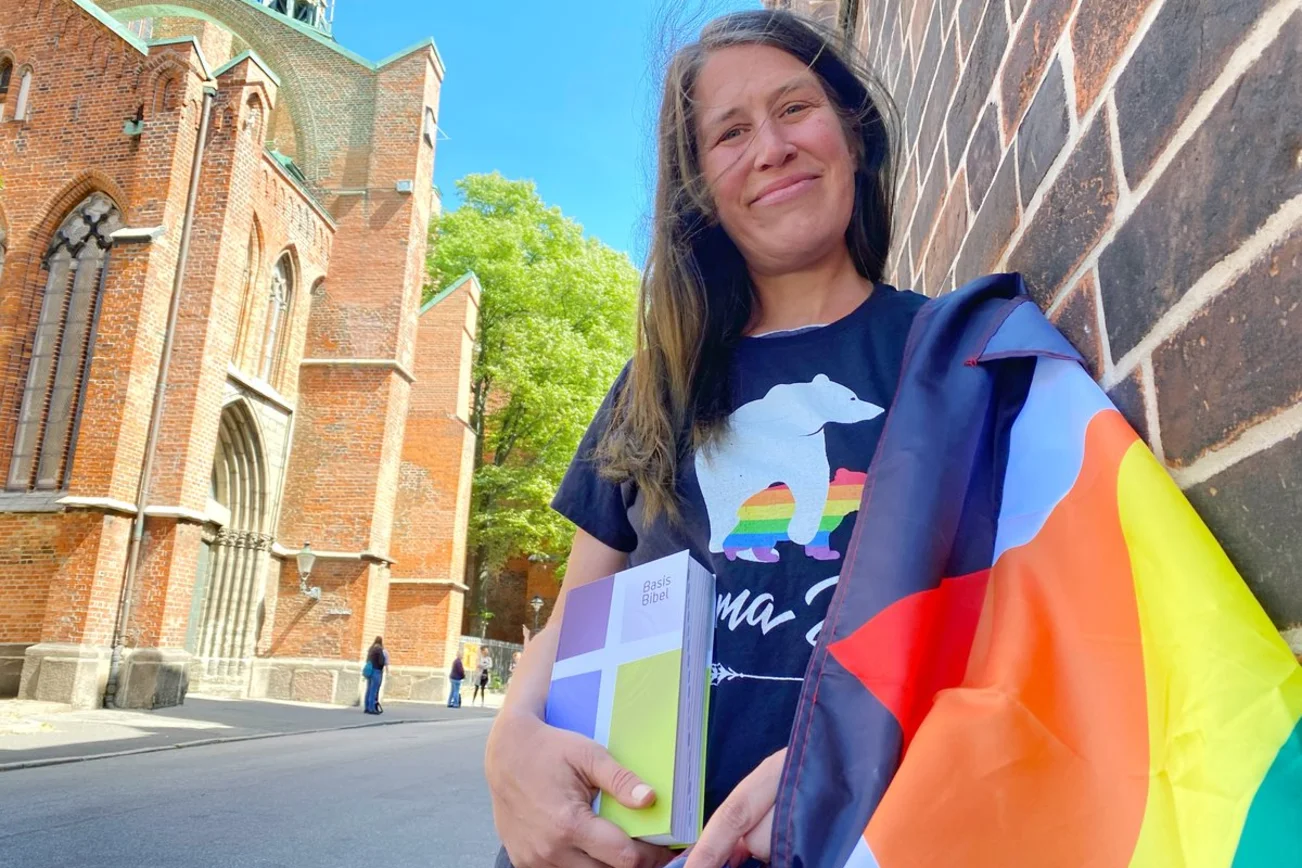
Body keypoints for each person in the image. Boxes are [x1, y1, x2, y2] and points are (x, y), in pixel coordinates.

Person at [486, 10, 910, 868]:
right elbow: (574, 614)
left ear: (853, 135)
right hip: (625, 843)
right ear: (702, 193)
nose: (770, 147)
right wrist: (508, 745)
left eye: (795, 109)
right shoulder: (656, 384)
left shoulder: (953, 359)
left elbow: (1013, 631)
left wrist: (843, 764)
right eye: (729, 133)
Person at [363, 636, 387, 715]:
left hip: (370, 671)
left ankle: (366, 707)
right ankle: (372, 708)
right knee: (374, 691)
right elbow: (381, 662)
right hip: (376, 671)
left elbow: (367, 660)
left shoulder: (371, 649)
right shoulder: (379, 650)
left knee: (368, 690)